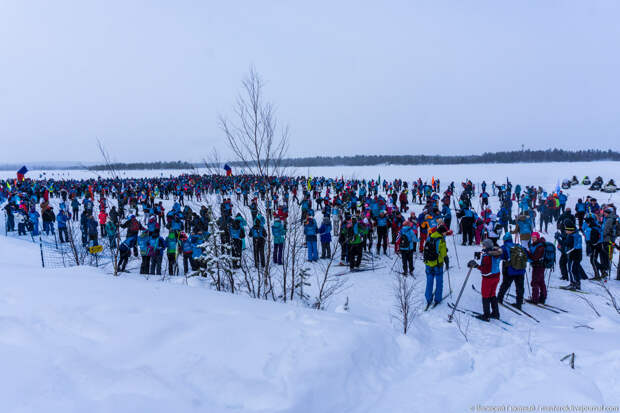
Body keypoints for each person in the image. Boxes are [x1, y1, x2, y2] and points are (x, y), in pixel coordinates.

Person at [468, 239, 502, 321]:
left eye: (483, 245)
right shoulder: (495, 253)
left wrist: (476, 266)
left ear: (486, 246)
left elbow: (485, 269)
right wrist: (480, 253)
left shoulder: (488, 256)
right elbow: (486, 254)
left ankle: (486, 315)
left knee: (485, 295)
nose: (482, 246)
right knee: (492, 294)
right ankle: (495, 313)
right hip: (496, 276)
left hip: (488, 278)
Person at [497, 233, 526, 309]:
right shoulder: (519, 246)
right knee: (520, 287)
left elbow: (499, 257)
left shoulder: (504, 247)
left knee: (505, 284)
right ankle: (519, 303)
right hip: (520, 269)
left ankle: (499, 298)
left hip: (510, 269)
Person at [423, 225, 449, 308]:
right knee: (439, 281)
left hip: (428, 263)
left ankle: (428, 298)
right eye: (445, 232)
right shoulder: (441, 239)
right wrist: (447, 262)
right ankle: (438, 299)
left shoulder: (430, 236)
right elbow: (443, 254)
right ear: (442, 232)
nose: (445, 234)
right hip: (438, 264)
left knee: (429, 281)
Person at [525, 232, 547, 304]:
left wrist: (528, 252)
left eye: (535, 237)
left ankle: (535, 299)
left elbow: (535, 257)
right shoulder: (535, 245)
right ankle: (542, 298)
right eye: (532, 237)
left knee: (535, 282)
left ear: (538, 237)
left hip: (538, 266)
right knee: (541, 282)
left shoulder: (540, 246)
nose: (533, 238)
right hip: (538, 266)